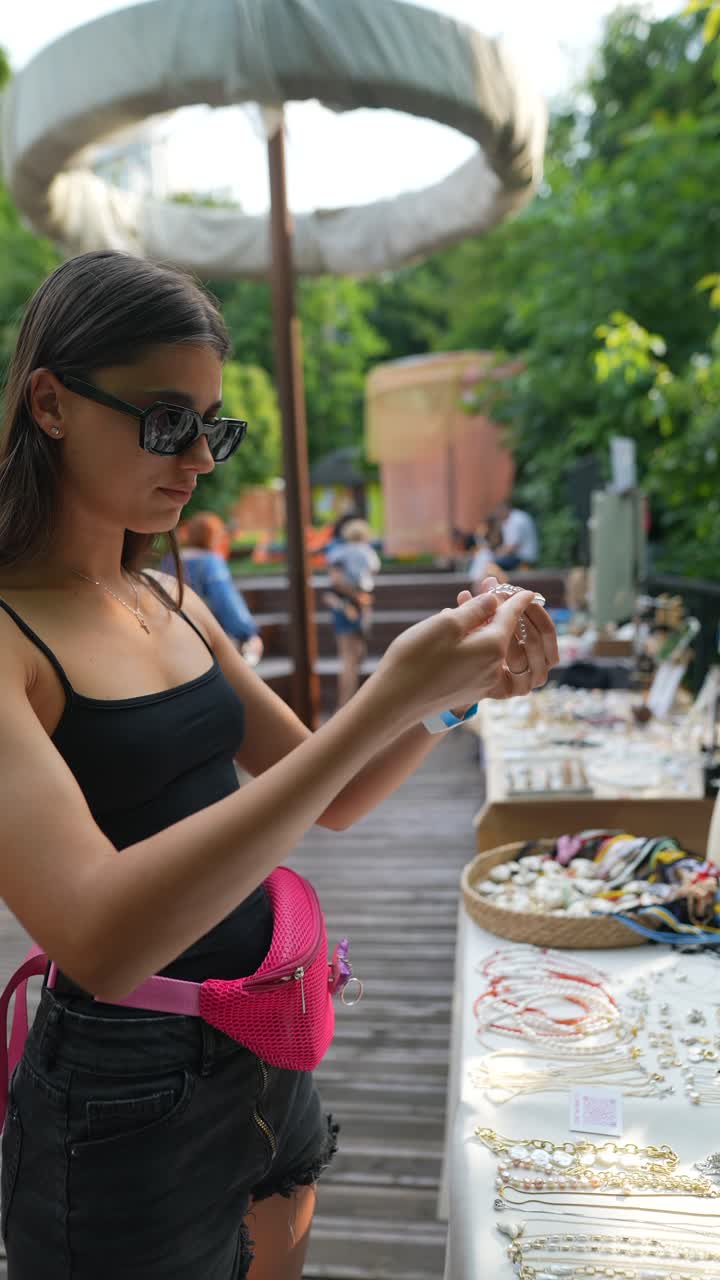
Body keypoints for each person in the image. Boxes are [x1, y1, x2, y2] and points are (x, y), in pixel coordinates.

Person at [0, 250, 557, 1280]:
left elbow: (336, 792)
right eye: (167, 421)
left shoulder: (168, 598)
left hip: (271, 1033)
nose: (200, 459)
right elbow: (101, 937)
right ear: (51, 403)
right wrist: (389, 692)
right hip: (123, 1095)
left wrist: (455, 691)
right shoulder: (10, 636)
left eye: (213, 426)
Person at [168, 511, 264, 666]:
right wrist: (249, 633)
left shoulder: (170, 561)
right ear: (214, 537)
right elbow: (226, 601)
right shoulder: (211, 562)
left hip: (175, 638)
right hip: (208, 638)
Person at [323, 518, 381, 708]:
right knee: (353, 657)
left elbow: (335, 580)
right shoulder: (367, 553)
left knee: (350, 657)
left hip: (347, 604)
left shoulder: (338, 553)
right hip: (357, 604)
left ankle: (347, 704)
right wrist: (358, 596)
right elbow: (372, 572)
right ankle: (347, 706)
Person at [493, 498, 539, 572]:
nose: (496, 514)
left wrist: (496, 554)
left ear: (503, 510)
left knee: (493, 565)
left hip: (524, 558)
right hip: (520, 556)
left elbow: (513, 546)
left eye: (497, 512)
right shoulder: (511, 518)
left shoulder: (516, 520)